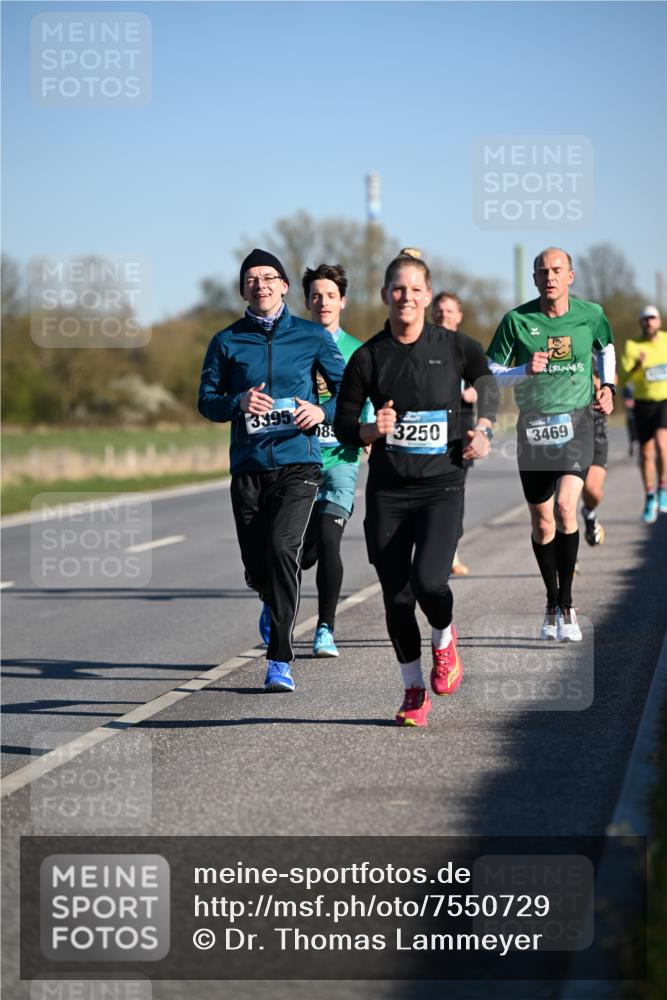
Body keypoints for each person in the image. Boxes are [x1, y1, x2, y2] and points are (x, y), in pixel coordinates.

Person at [334, 250, 498, 727]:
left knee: (430, 582)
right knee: (397, 596)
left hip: (441, 486)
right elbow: (344, 423)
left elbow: (486, 382)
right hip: (388, 492)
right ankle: (412, 689)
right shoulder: (368, 356)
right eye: (397, 289)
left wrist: (483, 428)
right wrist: (371, 430)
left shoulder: (454, 346)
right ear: (385, 295)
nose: (406, 296)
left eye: (415, 289)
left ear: (427, 295)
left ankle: (445, 640)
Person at [198, 249, 345, 692]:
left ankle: (279, 658)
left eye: (269, 277)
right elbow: (206, 400)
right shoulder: (226, 341)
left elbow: (348, 390)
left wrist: (320, 413)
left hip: (298, 463)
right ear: (243, 289)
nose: (260, 285)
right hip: (248, 468)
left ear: (284, 286)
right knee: (258, 566)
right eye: (251, 279)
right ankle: (268, 595)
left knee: (284, 549)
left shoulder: (312, 336)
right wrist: (236, 403)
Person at [486, 247, 616, 642]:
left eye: (557, 270)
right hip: (534, 430)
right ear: (535, 278)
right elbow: (491, 372)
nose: (550, 277)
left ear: (570, 276)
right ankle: (550, 600)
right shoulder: (517, 320)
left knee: (564, 509)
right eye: (543, 271)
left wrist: (608, 387)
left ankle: (569, 605)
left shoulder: (590, 314)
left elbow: (606, 348)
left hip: (577, 423)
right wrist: (524, 370)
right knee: (542, 524)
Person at [299, 263, 372, 657]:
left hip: (341, 460)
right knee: (298, 552)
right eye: (315, 295)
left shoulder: (358, 351)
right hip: (299, 463)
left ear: (342, 302)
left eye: (330, 295)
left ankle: (325, 628)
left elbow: (369, 402)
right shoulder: (294, 344)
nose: (322, 301)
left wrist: (371, 430)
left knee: (329, 542)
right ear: (306, 301)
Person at [432, 290, 477, 575]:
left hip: (460, 431)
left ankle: (451, 552)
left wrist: (473, 391)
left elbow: (485, 381)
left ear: (459, 316)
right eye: (438, 310)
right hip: (426, 430)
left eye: (449, 310)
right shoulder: (418, 344)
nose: (443, 315)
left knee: (453, 492)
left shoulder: (468, 349)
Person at [620, 305, 667, 523]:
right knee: (646, 454)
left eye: (653, 319)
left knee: (662, 444)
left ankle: (663, 488)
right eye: (645, 319)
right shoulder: (632, 346)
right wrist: (637, 365)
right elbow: (625, 376)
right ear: (641, 323)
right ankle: (650, 495)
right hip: (642, 404)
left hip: (664, 401)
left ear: (659, 322)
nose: (649, 323)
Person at [580, 368, 615, 546]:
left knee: (592, 491)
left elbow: (613, 381)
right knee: (563, 502)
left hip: (596, 430)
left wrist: (601, 384)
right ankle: (568, 557)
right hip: (566, 429)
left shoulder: (600, 350)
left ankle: (589, 512)